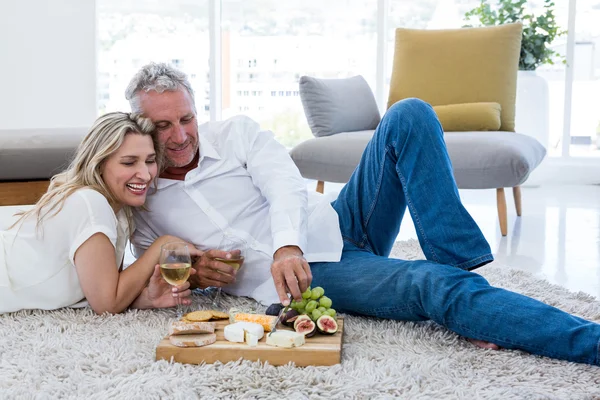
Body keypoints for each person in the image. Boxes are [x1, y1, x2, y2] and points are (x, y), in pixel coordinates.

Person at [127, 63, 600, 367]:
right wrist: (196, 273)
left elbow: (283, 182)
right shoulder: (144, 199)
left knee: (409, 114)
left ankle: (462, 289)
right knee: (428, 285)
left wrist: (286, 243)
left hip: (336, 221)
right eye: (163, 125)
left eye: (186, 118)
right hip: (319, 275)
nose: (181, 134)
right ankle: (588, 342)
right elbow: (161, 272)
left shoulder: (235, 134)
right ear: (142, 127)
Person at [0, 112, 200, 315]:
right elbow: (107, 304)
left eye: (150, 160)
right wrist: (161, 245)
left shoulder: (120, 212)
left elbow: (109, 289)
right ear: (99, 164)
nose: (145, 174)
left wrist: (147, 298)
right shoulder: (90, 203)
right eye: (129, 162)